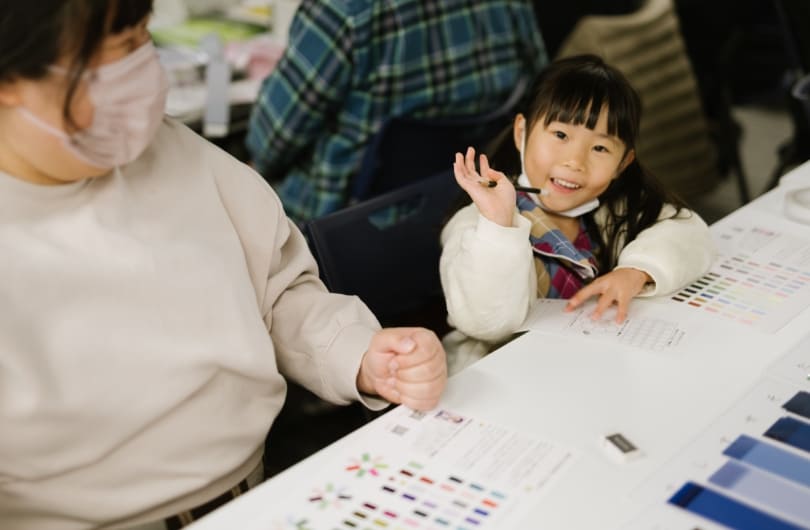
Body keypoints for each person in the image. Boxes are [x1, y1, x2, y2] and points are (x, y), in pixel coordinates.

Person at [0, 2, 447, 528]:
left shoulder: (179, 153)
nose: (144, 72)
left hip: (258, 492)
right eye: (116, 52)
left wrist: (357, 352)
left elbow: (277, 290)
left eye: (143, 39)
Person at [440, 54, 715, 374]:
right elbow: (483, 322)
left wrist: (637, 271)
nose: (575, 161)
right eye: (560, 135)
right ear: (521, 132)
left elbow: (690, 232)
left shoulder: (617, 208)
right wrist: (498, 226)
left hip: (586, 366)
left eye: (600, 148)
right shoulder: (476, 223)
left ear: (622, 164)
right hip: (499, 373)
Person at [245, 0, 548, 225]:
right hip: (466, 217)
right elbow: (539, 97)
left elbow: (269, 141)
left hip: (340, 232)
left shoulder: (344, 10)